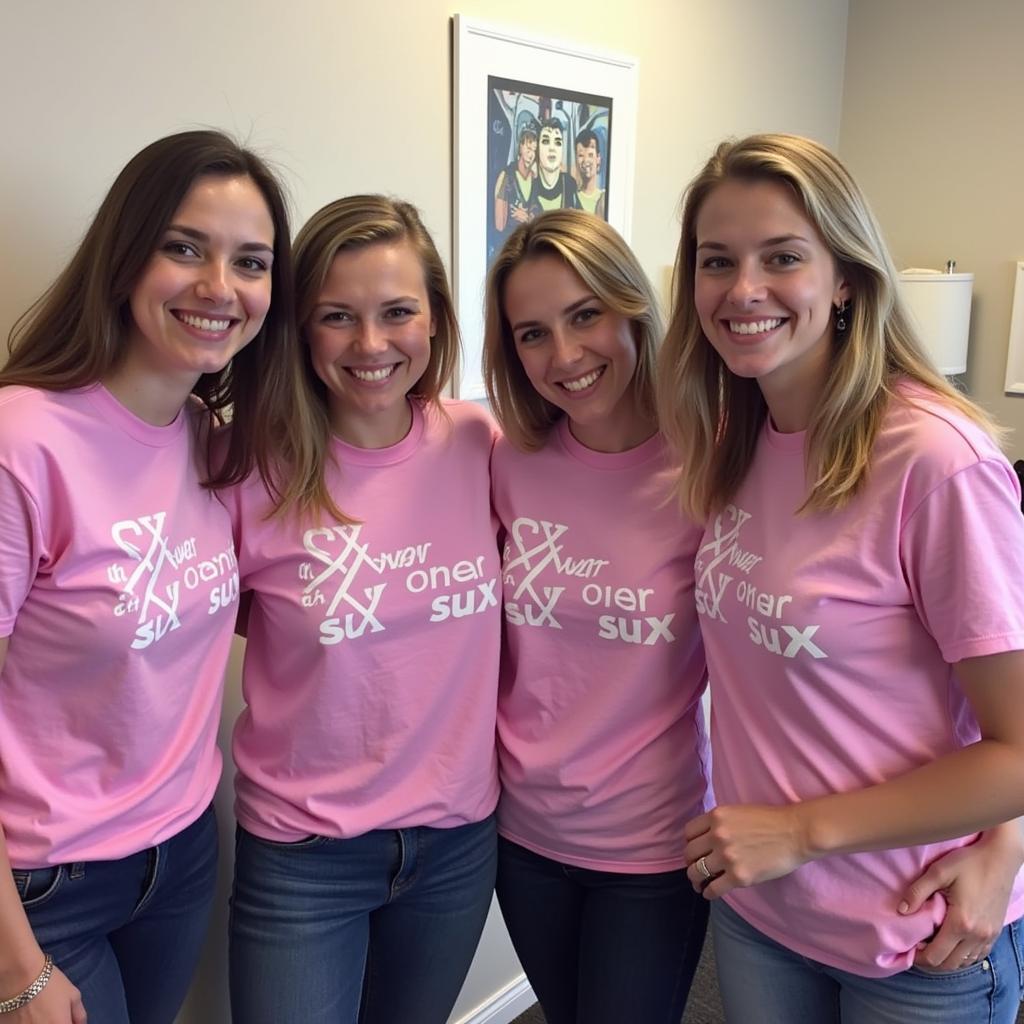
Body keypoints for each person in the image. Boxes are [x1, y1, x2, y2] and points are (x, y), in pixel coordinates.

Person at [658, 132, 1024, 1022]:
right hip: (762, 916)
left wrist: (802, 831)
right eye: (717, 261)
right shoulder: (731, 443)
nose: (743, 291)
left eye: (782, 257)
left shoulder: (936, 461)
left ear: (847, 277)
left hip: (912, 935)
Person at [0, 129, 298, 1024]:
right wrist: (17, 969)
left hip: (180, 853)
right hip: (45, 884)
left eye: (250, 261)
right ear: (125, 257)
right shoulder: (24, 442)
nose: (219, 287)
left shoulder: (213, 446)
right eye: (184, 248)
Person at [226, 195, 502, 1024]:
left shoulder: (483, 445)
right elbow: (225, 619)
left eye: (397, 313)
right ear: (300, 330)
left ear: (436, 319)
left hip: (457, 842)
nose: (372, 344)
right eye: (337, 316)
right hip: (305, 854)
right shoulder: (245, 471)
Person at [483, 209, 710, 1024]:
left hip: (652, 845)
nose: (566, 356)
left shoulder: (711, 466)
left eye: (586, 316)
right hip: (523, 834)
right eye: (533, 333)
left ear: (632, 308)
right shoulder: (509, 460)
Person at [494, 114, 539, 232]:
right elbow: (499, 225)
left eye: (534, 150)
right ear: (520, 147)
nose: (531, 154)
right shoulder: (506, 176)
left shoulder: (535, 179)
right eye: (528, 149)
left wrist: (527, 218)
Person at [534, 118, 582, 213]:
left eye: (557, 143)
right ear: (537, 148)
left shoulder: (570, 185)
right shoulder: (530, 186)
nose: (552, 148)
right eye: (546, 142)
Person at [573, 129, 606, 219]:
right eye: (581, 155)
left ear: (598, 158)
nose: (586, 160)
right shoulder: (571, 198)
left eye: (590, 155)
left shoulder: (605, 198)